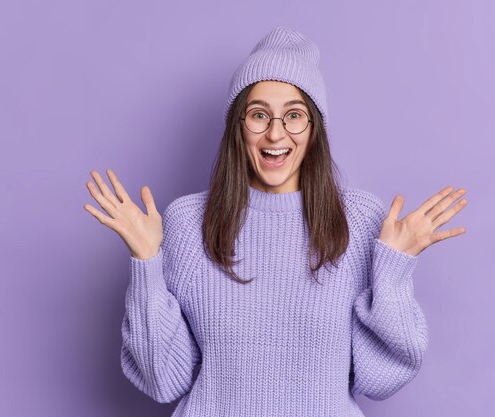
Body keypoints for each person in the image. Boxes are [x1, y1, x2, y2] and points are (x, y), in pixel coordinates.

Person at [83, 26, 468, 417]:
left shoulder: (361, 221)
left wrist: (393, 271)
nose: (275, 133)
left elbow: (380, 379)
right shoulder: (188, 223)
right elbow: (163, 380)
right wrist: (147, 264)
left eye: (294, 115)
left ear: (314, 129)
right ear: (238, 126)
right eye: (259, 114)